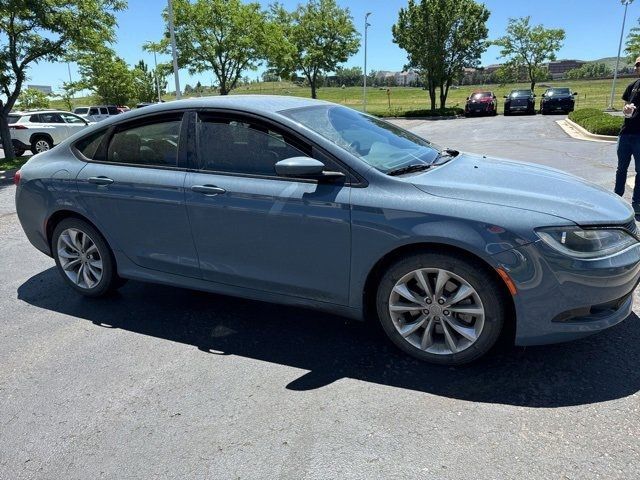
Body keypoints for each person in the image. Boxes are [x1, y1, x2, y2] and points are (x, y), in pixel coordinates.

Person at [616, 55, 640, 215]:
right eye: (636, 65)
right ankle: (616, 198)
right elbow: (626, 105)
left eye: (639, 65)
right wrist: (626, 109)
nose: (637, 67)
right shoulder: (632, 85)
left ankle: (637, 203)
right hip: (626, 133)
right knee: (621, 168)